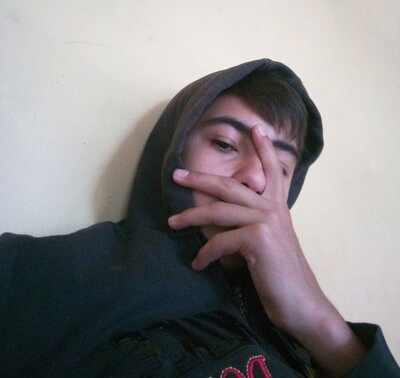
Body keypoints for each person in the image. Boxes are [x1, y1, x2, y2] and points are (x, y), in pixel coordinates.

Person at [0, 58, 399, 377]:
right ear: (174, 149)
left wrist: (317, 320)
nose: (257, 177)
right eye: (225, 144)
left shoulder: (305, 339)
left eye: (279, 167)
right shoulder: (57, 275)